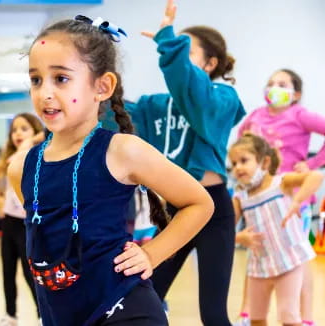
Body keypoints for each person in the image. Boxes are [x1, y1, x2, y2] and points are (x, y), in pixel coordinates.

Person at [7, 13, 214, 326]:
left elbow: (200, 203)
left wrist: (152, 254)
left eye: (61, 79)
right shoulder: (22, 167)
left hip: (125, 310)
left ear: (102, 86)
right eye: (36, 79)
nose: (45, 92)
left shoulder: (122, 151)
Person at [106, 1, 245, 324]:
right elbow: (118, 119)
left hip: (212, 211)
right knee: (143, 294)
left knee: (212, 313)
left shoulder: (223, 99)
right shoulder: (156, 105)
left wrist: (168, 42)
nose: (176, 56)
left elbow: (195, 96)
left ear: (211, 64)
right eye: (175, 50)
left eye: (186, 51)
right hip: (173, 214)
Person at [236, 69, 325, 326]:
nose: (275, 87)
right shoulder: (254, 117)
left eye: (282, 84)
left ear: (295, 93)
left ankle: (305, 318)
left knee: (299, 259)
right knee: (256, 253)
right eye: (271, 83)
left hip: (290, 199)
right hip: (258, 198)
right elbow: (242, 145)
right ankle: (246, 314)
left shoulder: (300, 115)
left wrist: (312, 164)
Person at [229, 134, 321, 326]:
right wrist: (239, 238)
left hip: (289, 262)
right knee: (256, 318)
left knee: (289, 317)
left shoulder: (281, 183)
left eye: (244, 161)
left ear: (264, 162)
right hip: (259, 267)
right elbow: (225, 232)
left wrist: (297, 200)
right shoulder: (240, 197)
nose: (237, 167)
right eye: (234, 163)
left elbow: (315, 176)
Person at [0, 113, 44, 326]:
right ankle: (10, 315)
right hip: (9, 221)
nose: (18, 133)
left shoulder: (36, 154)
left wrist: (33, 140)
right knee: (7, 271)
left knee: (31, 274)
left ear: (35, 132)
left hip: (28, 224)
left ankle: (41, 314)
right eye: (14, 130)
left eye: (24, 129)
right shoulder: (12, 156)